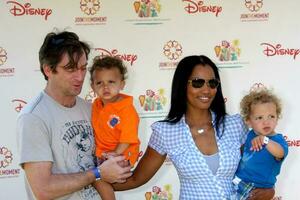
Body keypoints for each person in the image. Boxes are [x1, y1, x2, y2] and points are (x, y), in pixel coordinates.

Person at [113, 55, 275, 200]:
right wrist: (93, 179)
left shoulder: (235, 125)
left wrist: (269, 190)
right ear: (183, 85)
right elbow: (136, 179)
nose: (206, 90)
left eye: (212, 83)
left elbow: (256, 167)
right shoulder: (166, 132)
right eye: (198, 82)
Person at [16, 31, 132, 200]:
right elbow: (43, 189)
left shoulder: (91, 108)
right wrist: (98, 173)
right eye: (70, 69)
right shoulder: (33, 118)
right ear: (48, 69)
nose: (80, 77)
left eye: (83, 68)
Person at [89, 56, 140, 200]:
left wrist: (114, 155)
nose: (105, 87)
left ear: (121, 84)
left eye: (111, 82)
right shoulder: (96, 105)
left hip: (122, 154)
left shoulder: (126, 109)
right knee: (92, 179)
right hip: (103, 154)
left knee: (99, 180)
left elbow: (127, 139)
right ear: (92, 86)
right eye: (99, 83)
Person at [232, 88, 288, 200]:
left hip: (257, 189)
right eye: (259, 118)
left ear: (277, 118)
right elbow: (241, 153)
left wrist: (265, 140)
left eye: (271, 116)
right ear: (248, 120)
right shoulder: (248, 135)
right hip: (237, 182)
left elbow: (281, 152)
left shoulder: (277, 140)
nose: (266, 122)